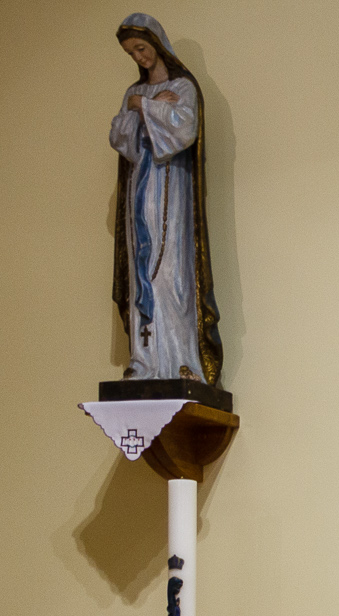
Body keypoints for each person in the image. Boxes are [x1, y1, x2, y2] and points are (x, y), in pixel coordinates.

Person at [110, 14, 222, 385]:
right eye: (132, 53)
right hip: (139, 194)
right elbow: (120, 138)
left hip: (173, 195)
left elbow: (185, 129)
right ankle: (143, 363)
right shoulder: (133, 92)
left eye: (142, 48)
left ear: (157, 44)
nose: (139, 57)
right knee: (142, 274)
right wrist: (146, 105)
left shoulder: (183, 87)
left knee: (172, 277)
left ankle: (182, 361)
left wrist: (145, 106)